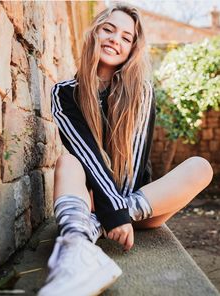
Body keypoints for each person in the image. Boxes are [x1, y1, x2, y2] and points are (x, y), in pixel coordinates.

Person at [38, 3, 213, 296]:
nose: (114, 40)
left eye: (126, 37)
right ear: (94, 33)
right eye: (108, 29)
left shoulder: (140, 92)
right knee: (68, 162)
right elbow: (87, 156)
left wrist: (117, 213)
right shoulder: (65, 93)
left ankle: (88, 229)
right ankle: (76, 255)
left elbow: (133, 164)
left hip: (139, 207)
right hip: (95, 199)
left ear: (132, 48)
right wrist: (108, 209)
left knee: (201, 167)